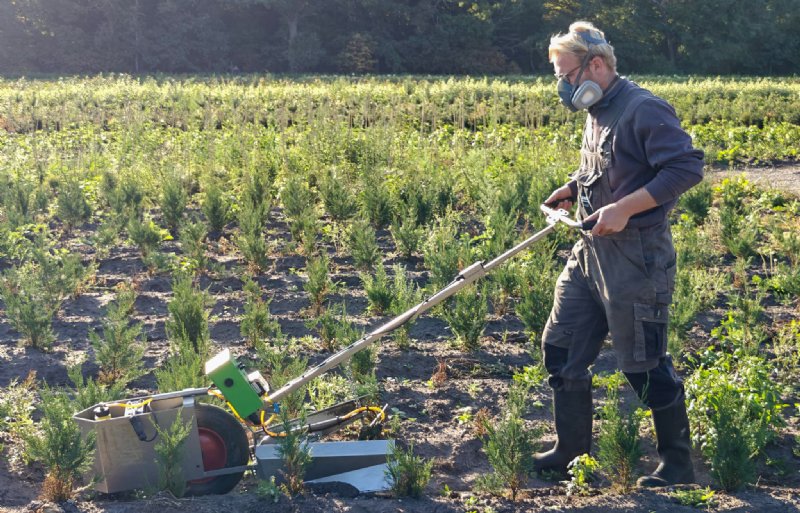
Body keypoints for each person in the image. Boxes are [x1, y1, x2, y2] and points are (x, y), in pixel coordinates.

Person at [535, 21, 704, 487]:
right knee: (561, 346)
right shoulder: (598, 110)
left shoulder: (643, 109)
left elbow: (687, 167)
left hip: (636, 257)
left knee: (644, 363)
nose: (564, 86)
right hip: (590, 250)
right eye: (559, 77)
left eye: (568, 76)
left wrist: (625, 209)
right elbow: (612, 167)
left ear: (596, 65)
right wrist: (573, 187)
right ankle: (571, 451)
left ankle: (677, 465)